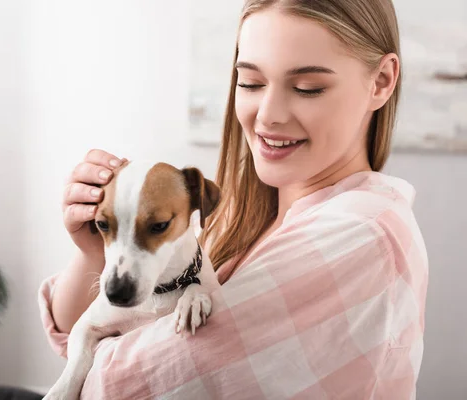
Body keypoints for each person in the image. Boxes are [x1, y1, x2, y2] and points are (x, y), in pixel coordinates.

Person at [38, 0, 429, 398]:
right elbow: (76, 339)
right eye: (251, 83)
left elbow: (115, 385)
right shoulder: (240, 216)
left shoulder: (358, 235)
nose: (268, 115)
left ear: (380, 81)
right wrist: (93, 250)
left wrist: (85, 353)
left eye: (307, 88)